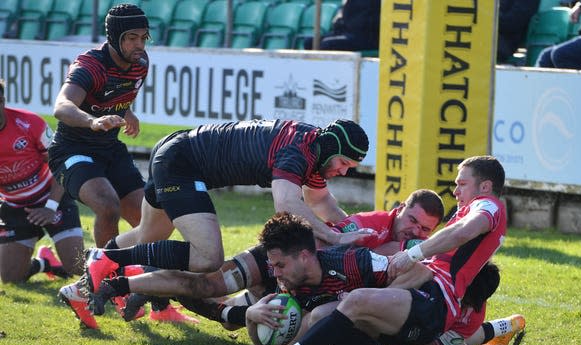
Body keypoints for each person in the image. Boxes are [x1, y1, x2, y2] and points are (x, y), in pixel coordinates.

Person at [241, 155, 507, 345]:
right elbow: (426, 267)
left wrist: (413, 253)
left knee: (351, 303)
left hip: (437, 302)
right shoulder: (462, 219)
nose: (456, 191)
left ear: (484, 186)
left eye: (462, 184)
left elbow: (460, 233)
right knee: (335, 316)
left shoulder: (488, 205)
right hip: (423, 293)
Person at [82, 118, 372, 297]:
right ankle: (105, 259)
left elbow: (321, 201)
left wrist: (351, 229)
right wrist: (335, 238)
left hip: (176, 149)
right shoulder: (300, 150)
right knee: (208, 258)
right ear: (332, 150)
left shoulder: (315, 148)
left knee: (148, 236)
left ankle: (84, 282)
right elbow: (286, 204)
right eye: (344, 164)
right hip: (182, 162)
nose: (344, 172)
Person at [80, 189, 445, 327]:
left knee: (221, 313)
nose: (416, 232)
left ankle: (160, 288)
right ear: (400, 210)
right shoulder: (367, 225)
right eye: (413, 220)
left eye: (425, 230)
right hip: (283, 259)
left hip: (301, 285)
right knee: (209, 283)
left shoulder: (406, 250)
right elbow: (321, 243)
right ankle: (123, 280)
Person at [48, 3, 150, 248]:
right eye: (132, 38)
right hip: (72, 151)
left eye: (144, 38)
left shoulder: (141, 63)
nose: (140, 45)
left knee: (150, 217)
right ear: (115, 38)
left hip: (110, 149)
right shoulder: (91, 66)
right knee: (107, 206)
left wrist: (128, 111)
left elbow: (113, 92)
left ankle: (136, 268)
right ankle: (103, 275)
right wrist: (92, 122)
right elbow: (62, 106)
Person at [0, 79, 84, 284]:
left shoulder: (29, 123)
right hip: (14, 206)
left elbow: (61, 164)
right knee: (11, 278)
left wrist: (50, 207)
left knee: (77, 267)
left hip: (51, 197)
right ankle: (43, 263)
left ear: (2, 101)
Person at [304, 0, 381, 52]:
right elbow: (343, 20)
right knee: (309, 42)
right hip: (349, 33)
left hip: (367, 38)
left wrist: (349, 24)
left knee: (327, 44)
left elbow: (371, 23)